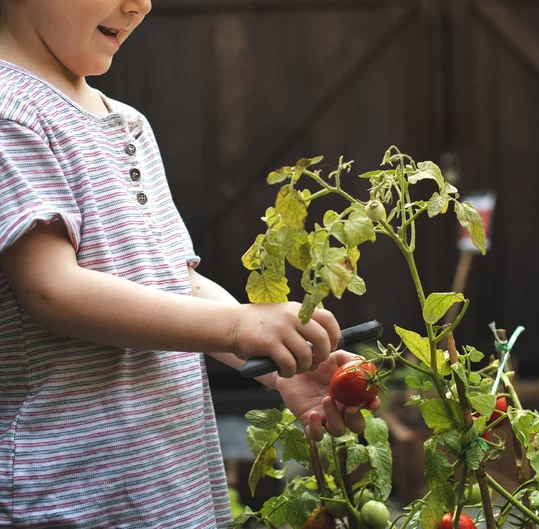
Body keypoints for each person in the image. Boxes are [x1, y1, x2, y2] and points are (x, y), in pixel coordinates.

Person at [0, 1, 380, 527]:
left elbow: (175, 280)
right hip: (74, 492)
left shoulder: (127, 123)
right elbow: (50, 290)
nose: (141, 4)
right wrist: (238, 324)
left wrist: (279, 368)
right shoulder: (11, 111)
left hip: (168, 487)